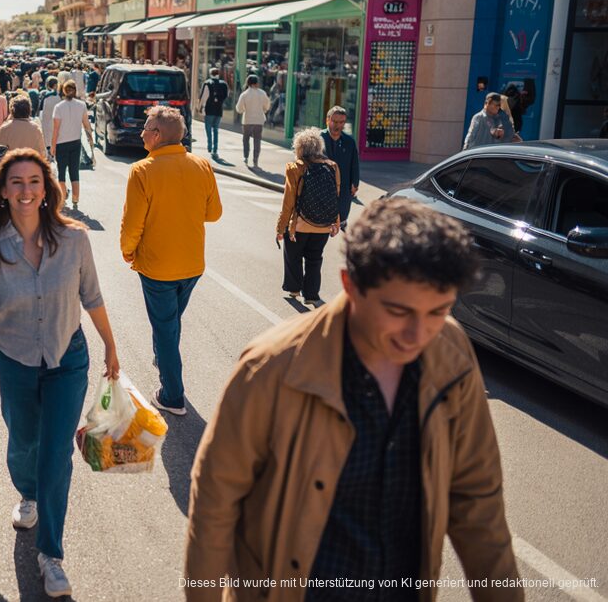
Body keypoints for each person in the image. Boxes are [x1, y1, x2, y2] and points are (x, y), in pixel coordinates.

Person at [185, 198, 522, 602]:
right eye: (398, 311)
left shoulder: (452, 355)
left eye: (438, 311)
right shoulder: (271, 369)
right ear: (350, 285)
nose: (418, 335)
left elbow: (479, 504)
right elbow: (215, 502)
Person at [0, 148, 120, 599]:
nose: (26, 190)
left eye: (34, 181)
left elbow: (92, 297)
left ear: (47, 188)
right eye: (16, 182)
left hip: (67, 360)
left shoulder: (75, 239)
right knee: (23, 444)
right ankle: (27, 492)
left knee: (55, 455)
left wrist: (110, 345)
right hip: (15, 362)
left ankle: (50, 553)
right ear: (3, 191)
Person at [120, 106, 223, 415]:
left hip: (157, 266)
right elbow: (214, 214)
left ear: (157, 135)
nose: (141, 132)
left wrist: (127, 250)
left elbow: (132, 223)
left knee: (165, 328)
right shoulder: (201, 165)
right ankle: (163, 358)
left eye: (146, 127)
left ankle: (172, 395)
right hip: (192, 264)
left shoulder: (142, 170)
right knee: (170, 322)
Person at [277, 128, 342, 308]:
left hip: (299, 225)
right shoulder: (332, 166)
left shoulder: (295, 168)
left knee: (293, 256)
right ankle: (312, 295)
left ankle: (294, 288)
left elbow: (288, 202)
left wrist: (281, 228)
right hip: (323, 224)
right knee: (315, 259)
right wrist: (335, 221)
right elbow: (334, 196)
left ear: (299, 148)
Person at [50, 80, 93, 210]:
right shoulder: (82, 105)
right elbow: (86, 125)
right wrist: (91, 140)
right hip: (76, 142)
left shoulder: (58, 107)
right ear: (75, 91)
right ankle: (75, 199)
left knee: (61, 173)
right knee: (74, 172)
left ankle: (63, 199)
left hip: (61, 143)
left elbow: (56, 129)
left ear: (63, 91)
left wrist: (53, 146)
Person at [321, 106, 360, 229]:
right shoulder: (318, 139)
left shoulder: (349, 142)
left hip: (344, 187)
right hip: (321, 187)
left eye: (341, 122)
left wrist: (355, 183)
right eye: (335, 121)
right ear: (327, 120)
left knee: (341, 218)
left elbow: (354, 164)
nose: (338, 125)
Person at [235, 74, 270, 167]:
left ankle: (246, 156)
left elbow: (239, 108)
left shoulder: (244, 94)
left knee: (246, 139)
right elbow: (267, 105)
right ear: (256, 83)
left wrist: (244, 110)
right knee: (257, 140)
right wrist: (263, 110)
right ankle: (255, 160)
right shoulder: (262, 93)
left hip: (247, 120)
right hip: (259, 120)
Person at [198, 68, 228, 159]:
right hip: (219, 110)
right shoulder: (224, 84)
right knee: (215, 129)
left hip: (209, 109)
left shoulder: (207, 83)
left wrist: (200, 107)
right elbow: (226, 96)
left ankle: (209, 145)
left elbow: (204, 97)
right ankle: (215, 149)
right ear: (218, 74)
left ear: (210, 73)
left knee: (208, 128)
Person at [39, 77, 61, 152]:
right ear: (55, 85)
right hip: (56, 123)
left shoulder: (44, 95)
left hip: (46, 122)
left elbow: (41, 110)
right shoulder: (59, 96)